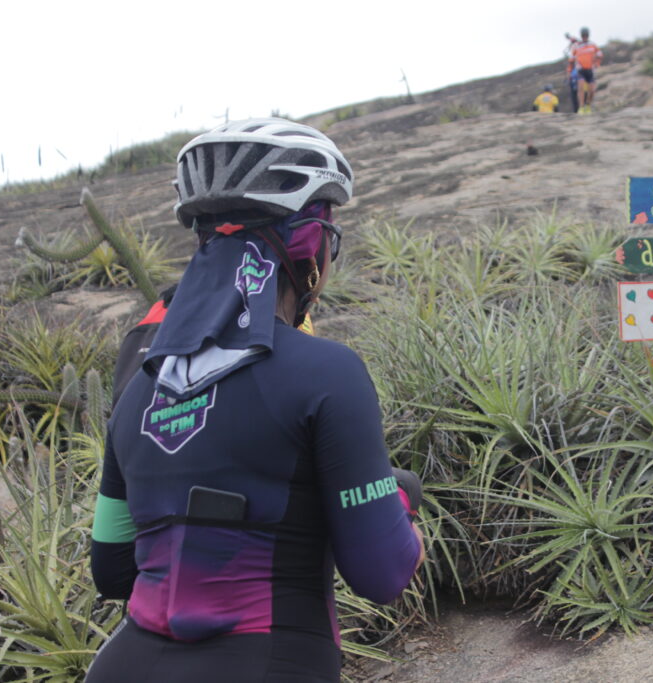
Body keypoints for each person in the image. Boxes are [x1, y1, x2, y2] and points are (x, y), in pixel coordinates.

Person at [87, 118, 424, 683]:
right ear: (311, 244)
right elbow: (382, 572)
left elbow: (112, 567)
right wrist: (402, 501)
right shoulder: (328, 372)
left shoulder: (141, 382)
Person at [567, 27, 603, 113]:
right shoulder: (577, 46)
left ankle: (588, 105)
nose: (585, 37)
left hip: (590, 70)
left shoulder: (592, 45)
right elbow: (571, 60)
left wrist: (597, 63)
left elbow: (600, 55)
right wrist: (569, 71)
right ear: (581, 36)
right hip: (580, 70)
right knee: (581, 88)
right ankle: (581, 107)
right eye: (583, 35)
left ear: (588, 35)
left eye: (586, 35)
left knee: (592, 90)